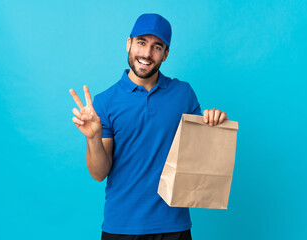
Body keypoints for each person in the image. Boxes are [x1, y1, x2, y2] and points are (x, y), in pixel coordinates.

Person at [69, 13, 228, 240]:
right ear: (129, 43)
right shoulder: (104, 102)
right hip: (120, 227)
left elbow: (200, 157)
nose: (146, 53)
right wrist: (92, 138)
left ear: (166, 54)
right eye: (141, 42)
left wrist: (214, 123)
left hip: (174, 226)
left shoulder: (183, 94)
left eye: (157, 47)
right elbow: (98, 174)